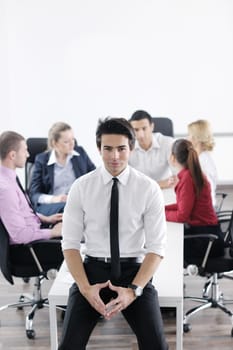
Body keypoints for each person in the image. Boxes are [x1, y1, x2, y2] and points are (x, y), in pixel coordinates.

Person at [58, 117, 168, 350]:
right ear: (98, 149)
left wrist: (134, 291)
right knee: (69, 346)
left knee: (156, 345)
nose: (114, 156)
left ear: (132, 148)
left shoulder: (148, 189)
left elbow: (156, 248)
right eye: (107, 149)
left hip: (133, 272)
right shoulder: (81, 187)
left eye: (121, 148)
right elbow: (70, 244)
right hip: (93, 271)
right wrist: (86, 289)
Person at [165, 138, 224, 261]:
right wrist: (162, 208)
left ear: (173, 158)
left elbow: (182, 216)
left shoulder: (187, 178)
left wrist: (161, 214)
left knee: (166, 245)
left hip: (205, 240)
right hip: (209, 235)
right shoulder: (191, 173)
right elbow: (184, 206)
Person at [0, 131, 62, 245]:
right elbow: (19, 236)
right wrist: (52, 232)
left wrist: (45, 218)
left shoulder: (10, 179)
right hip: (31, 248)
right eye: (25, 150)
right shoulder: (5, 189)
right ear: (12, 155)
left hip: (36, 233)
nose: (28, 155)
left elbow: (21, 211)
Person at [29, 122, 96, 216]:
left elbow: (95, 177)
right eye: (66, 141)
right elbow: (34, 194)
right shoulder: (42, 160)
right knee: (70, 208)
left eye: (73, 139)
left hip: (79, 202)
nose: (72, 144)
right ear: (54, 143)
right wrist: (55, 199)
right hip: (54, 205)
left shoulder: (80, 153)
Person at [128, 110, 176, 189]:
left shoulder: (168, 143)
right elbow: (123, 178)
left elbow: (178, 177)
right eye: (136, 130)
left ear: (152, 127)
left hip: (165, 190)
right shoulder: (127, 147)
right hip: (139, 191)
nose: (141, 135)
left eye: (144, 128)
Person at [187, 119, 217, 208]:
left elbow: (205, 190)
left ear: (196, 138)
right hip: (205, 205)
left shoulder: (202, 161)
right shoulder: (202, 156)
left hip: (203, 209)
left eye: (189, 135)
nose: (187, 138)